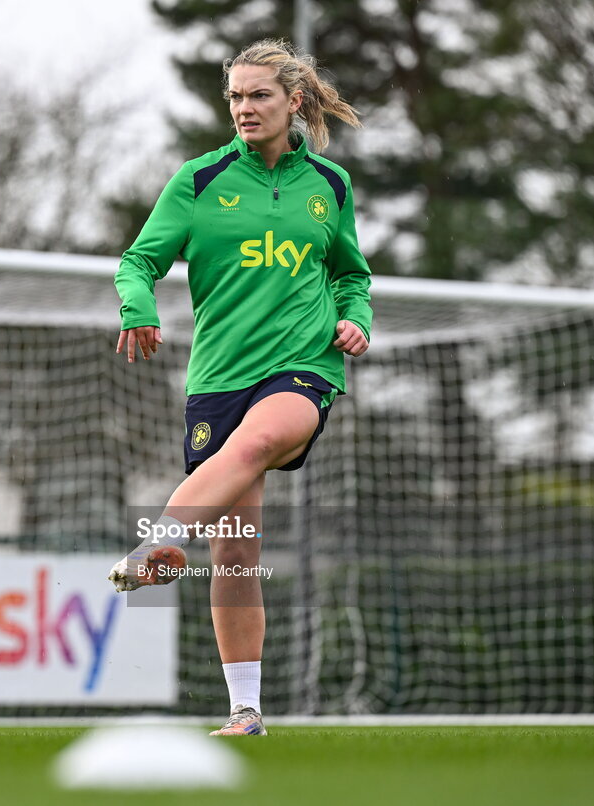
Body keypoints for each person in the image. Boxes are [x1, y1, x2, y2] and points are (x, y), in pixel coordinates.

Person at [109, 38, 372, 736]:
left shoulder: (331, 187)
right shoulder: (199, 180)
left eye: (259, 95)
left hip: (303, 367)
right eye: (235, 97)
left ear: (294, 101)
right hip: (217, 379)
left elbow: (351, 273)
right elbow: (139, 261)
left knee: (262, 437)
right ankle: (246, 712)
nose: (245, 108)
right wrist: (137, 307)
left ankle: (158, 544)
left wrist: (355, 320)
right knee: (235, 549)